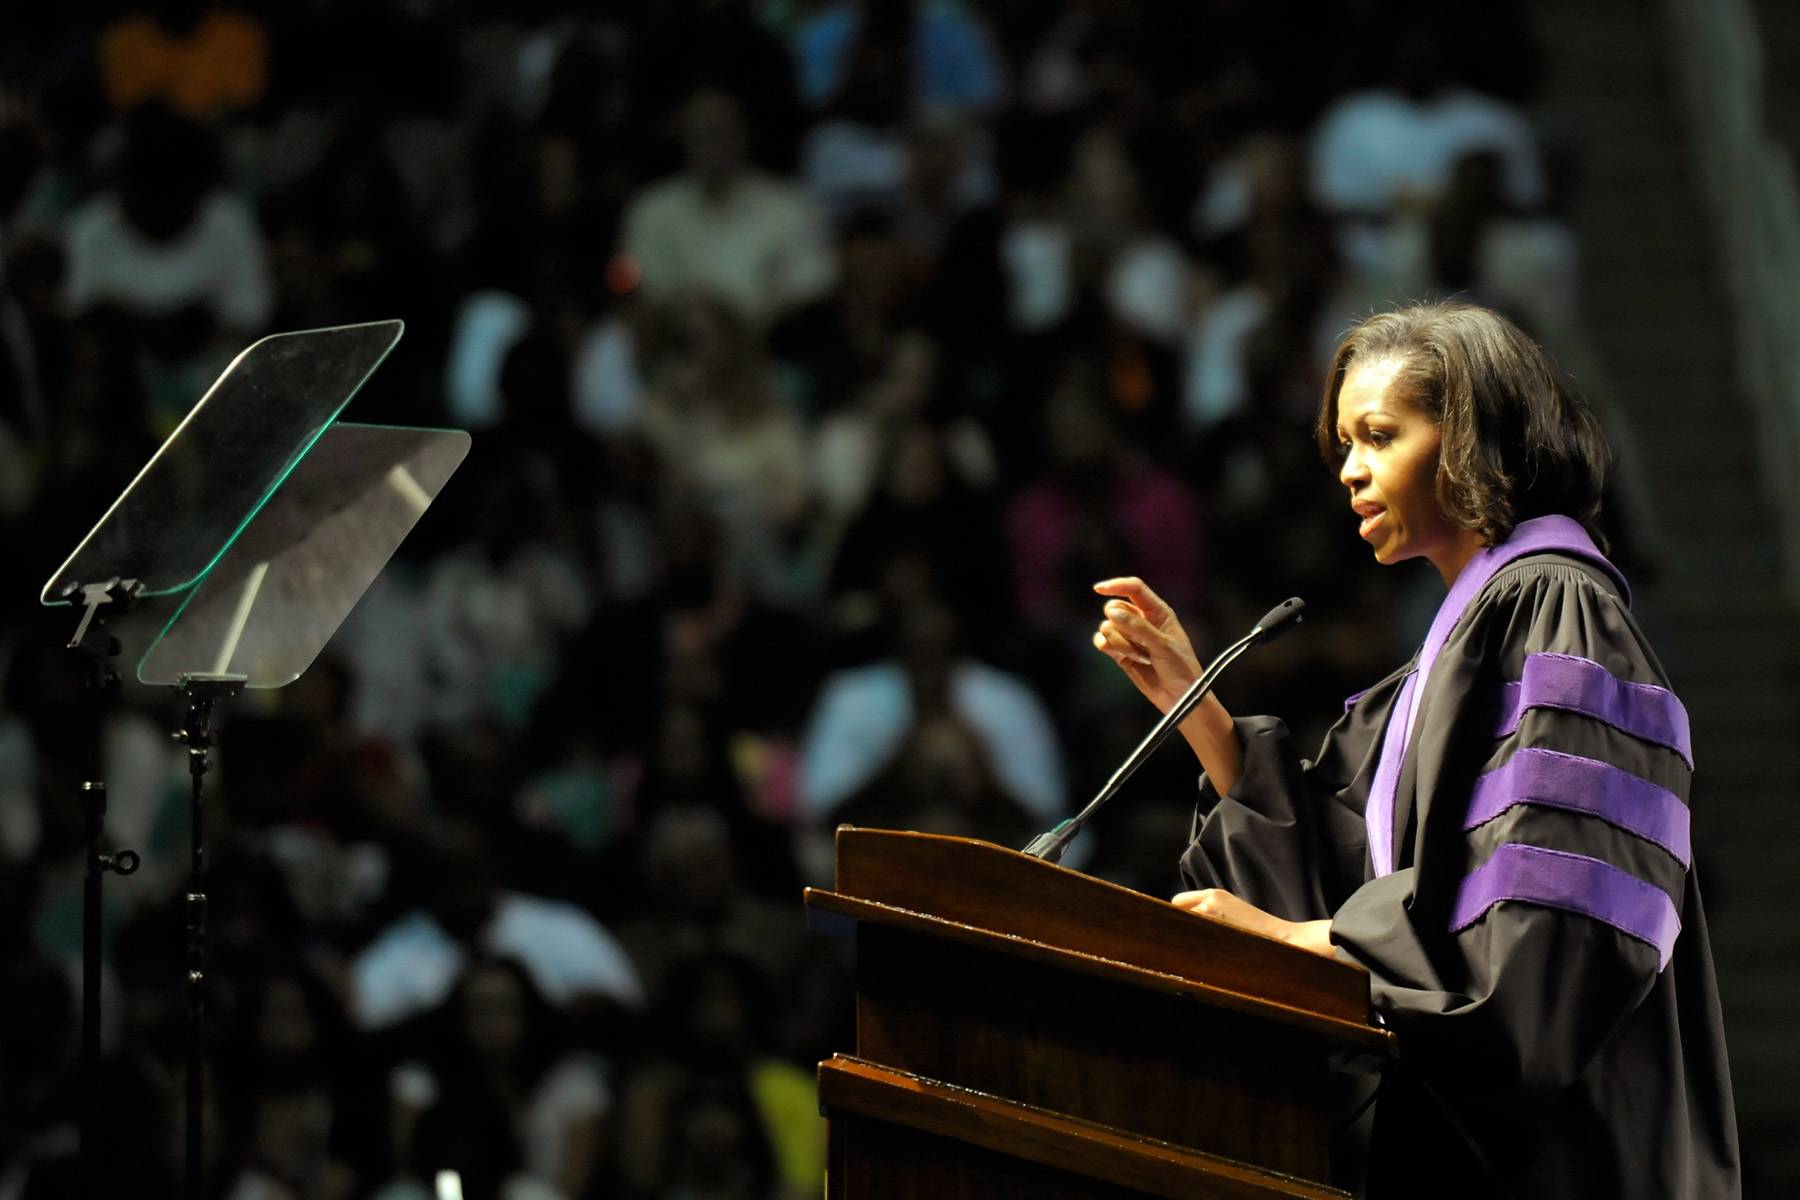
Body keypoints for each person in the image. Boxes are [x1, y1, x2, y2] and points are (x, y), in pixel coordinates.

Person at [1091, 302, 1738, 1198]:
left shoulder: (1559, 611)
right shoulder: (1449, 655)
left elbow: (1543, 937)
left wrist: (1307, 941)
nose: (1352, 472)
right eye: (1345, 445)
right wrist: (1192, 705)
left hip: (1561, 1156)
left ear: (1471, 441)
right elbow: (1368, 867)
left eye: (1380, 436)